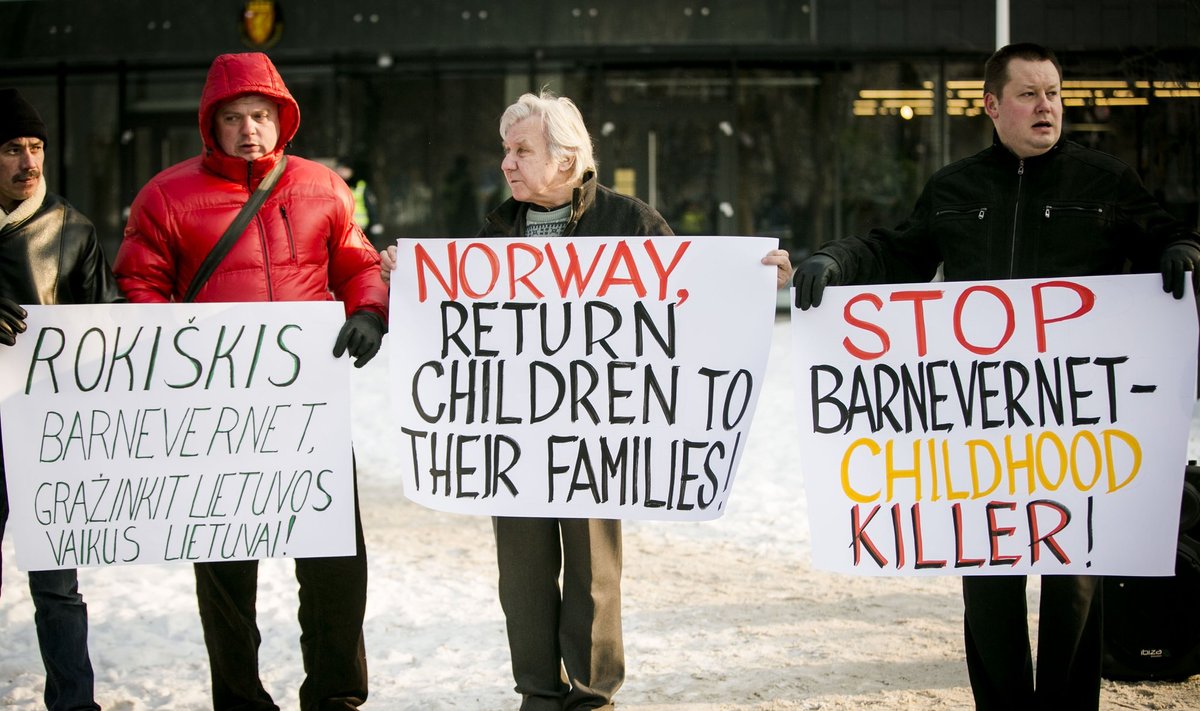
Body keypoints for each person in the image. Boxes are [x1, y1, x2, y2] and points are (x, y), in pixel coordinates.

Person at [792, 43, 1200, 710]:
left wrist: (1183, 249)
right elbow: (898, 249)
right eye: (1030, 94)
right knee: (987, 579)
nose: (1047, 106)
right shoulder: (955, 187)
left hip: (1077, 421)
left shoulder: (1105, 182)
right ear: (991, 105)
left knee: (1075, 580)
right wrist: (836, 262)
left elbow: (1167, 234)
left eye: (1054, 94)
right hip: (983, 424)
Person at [382, 90, 790, 711]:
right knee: (521, 572)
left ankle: (592, 693)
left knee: (594, 569)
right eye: (505, 151)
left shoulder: (629, 222)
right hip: (514, 433)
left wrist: (753, 279)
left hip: (597, 432)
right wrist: (405, 282)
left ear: (567, 159)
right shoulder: (495, 231)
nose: (507, 164)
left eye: (522, 150)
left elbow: (688, 303)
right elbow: (459, 320)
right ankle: (537, 693)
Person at [113, 53, 387, 711]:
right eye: (233, 118)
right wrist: (178, 347)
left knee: (335, 560)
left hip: (307, 408)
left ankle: (336, 692)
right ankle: (239, 697)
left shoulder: (323, 187)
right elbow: (138, 280)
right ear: (212, 124)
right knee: (227, 568)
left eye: (261, 116)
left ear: (281, 117)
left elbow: (358, 263)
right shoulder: (166, 194)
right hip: (216, 414)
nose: (249, 131)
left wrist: (371, 312)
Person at [0, 87, 120, 711]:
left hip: (45, 434)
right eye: (13, 149)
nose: (30, 162)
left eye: (37, 147)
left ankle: (75, 704)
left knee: (57, 587)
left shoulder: (71, 230)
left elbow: (113, 330)